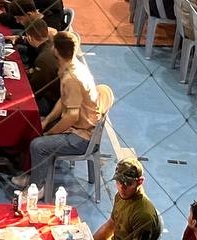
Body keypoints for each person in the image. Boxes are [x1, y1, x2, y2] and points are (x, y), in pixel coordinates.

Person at [14, 32, 106, 189]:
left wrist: (51, 132)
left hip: (81, 137)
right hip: (80, 126)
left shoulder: (72, 79)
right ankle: (32, 174)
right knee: (36, 125)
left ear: (55, 50)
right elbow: (64, 100)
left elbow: (72, 116)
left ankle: (37, 187)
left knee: (38, 145)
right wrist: (48, 119)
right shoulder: (74, 67)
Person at [93, 159, 162, 240]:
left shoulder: (143, 215)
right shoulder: (120, 196)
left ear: (140, 182)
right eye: (119, 181)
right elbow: (111, 224)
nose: (122, 188)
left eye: (128, 183)